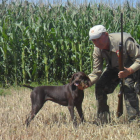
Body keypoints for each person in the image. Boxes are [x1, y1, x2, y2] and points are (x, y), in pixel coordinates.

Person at [86, 25, 140, 123]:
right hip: (113, 69)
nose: (96, 43)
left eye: (98, 39)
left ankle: (134, 120)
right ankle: (103, 120)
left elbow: (138, 59)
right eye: (94, 40)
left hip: (131, 67)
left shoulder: (125, 41)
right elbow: (97, 72)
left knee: (127, 86)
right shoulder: (97, 48)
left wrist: (129, 71)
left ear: (106, 35)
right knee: (100, 86)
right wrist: (87, 83)